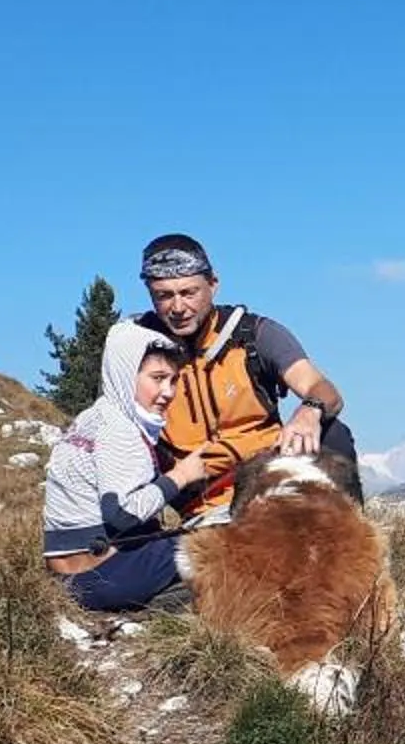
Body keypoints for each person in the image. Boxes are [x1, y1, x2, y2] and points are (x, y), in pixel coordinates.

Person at [133, 232, 359, 514]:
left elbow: (323, 390)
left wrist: (310, 410)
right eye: (163, 296)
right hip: (191, 490)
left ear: (213, 285)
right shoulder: (134, 346)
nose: (178, 308)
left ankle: (348, 544)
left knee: (332, 433)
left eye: (189, 293)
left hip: (266, 475)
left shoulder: (254, 335)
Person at [42, 323, 214, 610]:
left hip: (68, 578)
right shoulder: (121, 431)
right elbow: (122, 514)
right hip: (105, 577)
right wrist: (182, 475)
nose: (168, 392)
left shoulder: (92, 417)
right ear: (125, 375)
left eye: (173, 381)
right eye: (157, 378)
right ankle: (162, 604)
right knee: (222, 543)